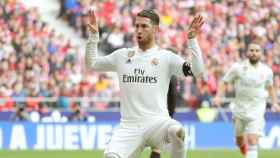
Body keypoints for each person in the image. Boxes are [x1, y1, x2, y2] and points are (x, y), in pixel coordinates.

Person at [85, 9, 205, 158]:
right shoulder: (122, 55)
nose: (138, 30)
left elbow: (198, 71)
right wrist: (93, 37)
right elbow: (92, 64)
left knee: (177, 131)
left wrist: (192, 40)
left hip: (157, 123)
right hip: (129, 126)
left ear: (156, 30)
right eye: (137, 26)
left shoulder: (166, 58)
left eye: (144, 26)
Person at [213, 42, 280, 158]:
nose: (254, 53)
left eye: (257, 51)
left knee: (252, 139)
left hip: (257, 109)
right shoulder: (237, 68)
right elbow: (224, 82)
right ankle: (241, 145)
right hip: (240, 109)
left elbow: (270, 87)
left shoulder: (267, 71)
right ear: (247, 53)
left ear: (261, 54)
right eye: (251, 50)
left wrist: (274, 103)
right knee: (239, 140)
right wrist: (218, 96)